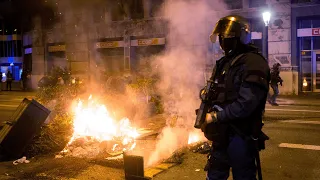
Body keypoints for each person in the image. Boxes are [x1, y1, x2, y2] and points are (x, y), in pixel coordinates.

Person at [200, 15, 270, 180]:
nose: (223, 41)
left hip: (241, 134)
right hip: (221, 133)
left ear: (241, 37)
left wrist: (216, 116)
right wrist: (205, 94)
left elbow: (246, 104)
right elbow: (218, 89)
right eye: (221, 37)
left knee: (243, 175)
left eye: (227, 37)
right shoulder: (225, 62)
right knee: (215, 174)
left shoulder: (254, 62)